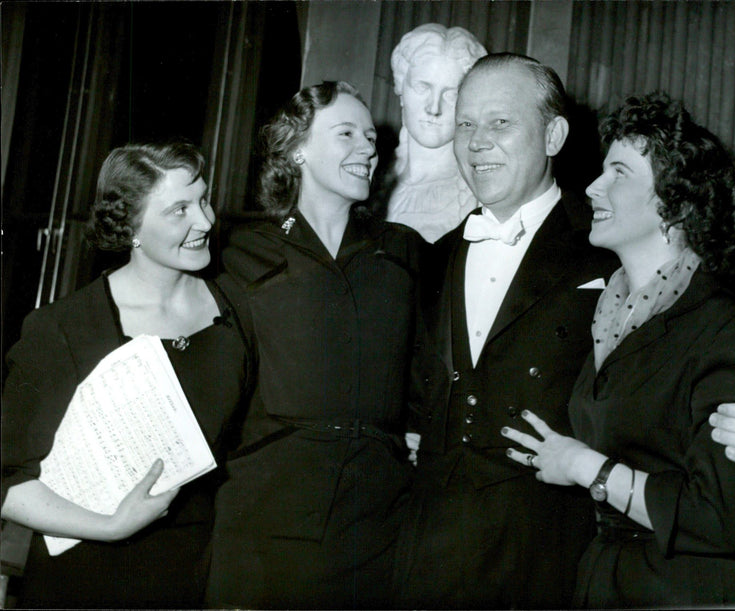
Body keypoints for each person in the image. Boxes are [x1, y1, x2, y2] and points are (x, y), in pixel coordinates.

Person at [392, 53, 735, 609]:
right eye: (465, 125)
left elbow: (705, 368)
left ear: (554, 134)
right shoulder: (427, 261)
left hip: (556, 565)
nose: (476, 141)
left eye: (500, 122)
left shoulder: (610, 248)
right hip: (430, 564)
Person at [502, 92, 735, 607]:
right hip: (605, 583)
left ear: (674, 207)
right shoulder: (611, 314)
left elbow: (721, 519)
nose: (592, 187)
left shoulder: (730, 328)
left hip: (686, 592)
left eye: (619, 173)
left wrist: (584, 466)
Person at [1, 142, 254, 608]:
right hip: (83, 580)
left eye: (203, 199)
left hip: (195, 578)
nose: (205, 221)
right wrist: (111, 526)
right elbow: (7, 482)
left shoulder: (234, 315)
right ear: (131, 227)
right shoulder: (66, 328)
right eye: (179, 209)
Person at [204, 81, 424, 609]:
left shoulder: (403, 254)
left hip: (375, 527)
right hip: (264, 525)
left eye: (371, 138)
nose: (368, 148)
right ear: (296, 148)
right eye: (346, 133)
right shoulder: (238, 251)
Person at [384, 23, 486, 243]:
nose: (433, 108)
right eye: (422, 87)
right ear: (401, 86)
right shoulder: (372, 180)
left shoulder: (482, 190)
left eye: (451, 94)